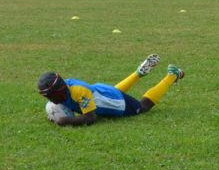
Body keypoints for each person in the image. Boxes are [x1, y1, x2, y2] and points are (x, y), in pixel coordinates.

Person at [37, 54, 184, 127]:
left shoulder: (79, 92)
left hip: (115, 102)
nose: (50, 100)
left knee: (143, 107)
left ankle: (172, 75)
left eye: (51, 96)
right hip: (102, 91)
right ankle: (139, 73)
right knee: (114, 93)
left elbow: (90, 118)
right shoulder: (67, 87)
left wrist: (65, 120)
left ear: (59, 91)